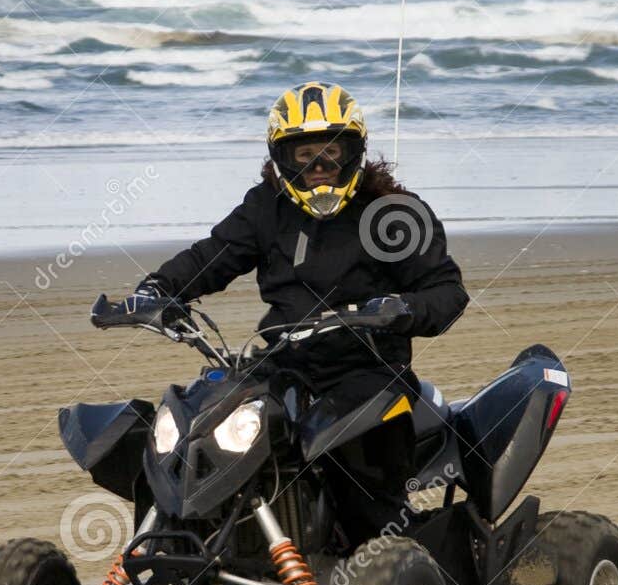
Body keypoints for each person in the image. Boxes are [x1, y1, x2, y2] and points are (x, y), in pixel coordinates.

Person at [129, 82, 468, 546]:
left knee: (360, 471)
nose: (319, 169)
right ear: (280, 160)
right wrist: (159, 289)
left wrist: (400, 309)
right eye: (304, 156)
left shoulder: (394, 213)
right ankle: (178, 546)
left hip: (370, 371)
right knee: (192, 429)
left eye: (332, 154)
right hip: (285, 364)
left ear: (357, 154)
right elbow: (212, 257)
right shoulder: (266, 208)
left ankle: (386, 556)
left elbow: (447, 291)